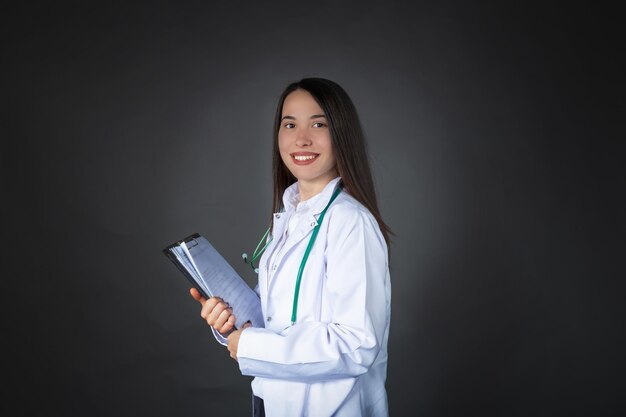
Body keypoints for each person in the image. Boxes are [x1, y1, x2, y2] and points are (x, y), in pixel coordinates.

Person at [190, 77, 392, 416]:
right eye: (290, 124)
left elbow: (357, 345)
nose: (301, 138)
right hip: (274, 402)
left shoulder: (350, 222)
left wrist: (250, 345)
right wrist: (230, 323)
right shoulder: (289, 216)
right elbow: (275, 317)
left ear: (341, 133)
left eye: (318, 124)